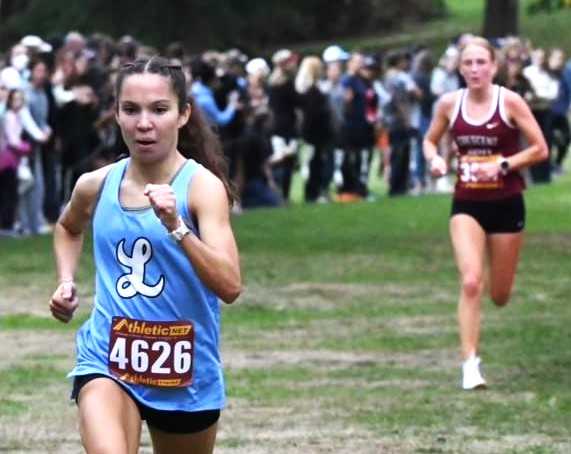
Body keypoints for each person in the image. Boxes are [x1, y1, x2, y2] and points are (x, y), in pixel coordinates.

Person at [49, 56, 242, 453]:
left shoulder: (202, 189)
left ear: (183, 114)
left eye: (159, 110)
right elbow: (68, 227)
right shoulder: (96, 184)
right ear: (116, 115)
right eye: (130, 110)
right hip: (108, 358)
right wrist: (66, 281)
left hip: (183, 368)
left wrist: (177, 226)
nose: (144, 124)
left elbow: (230, 285)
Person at [423, 37, 548, 390]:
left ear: (493, 67)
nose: (475, 69)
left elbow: (540, 149)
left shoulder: (510, 101)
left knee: (500, 295)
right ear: (459, 69)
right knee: (471, 281)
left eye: (481, 63)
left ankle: (496, 271)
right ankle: (470, 365)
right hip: (467, 204)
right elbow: (430, 139)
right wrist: (435, 159)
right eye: (468, 64)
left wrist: (504, 164)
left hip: (507, 204)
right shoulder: (450, 103)